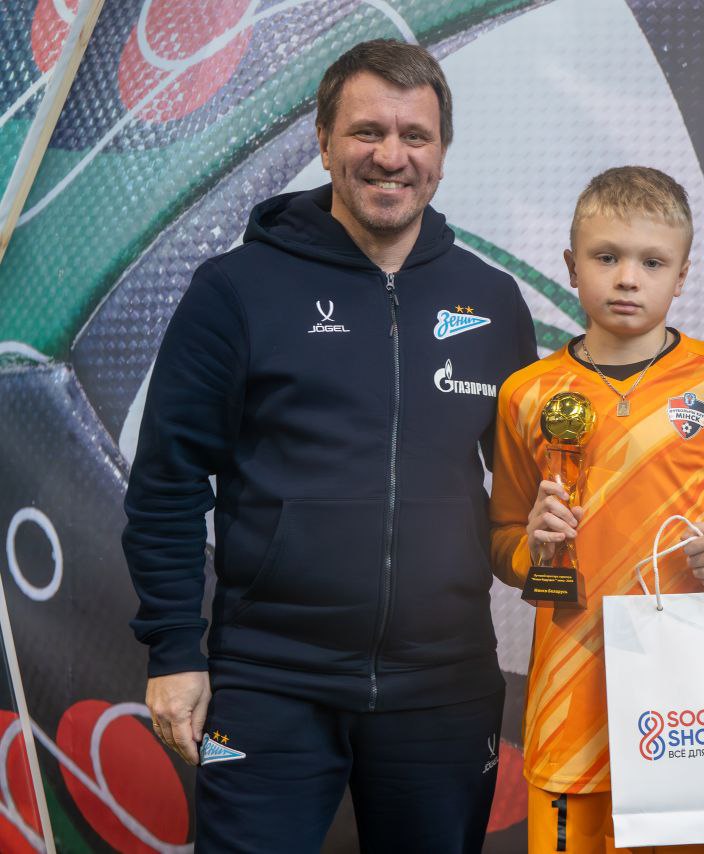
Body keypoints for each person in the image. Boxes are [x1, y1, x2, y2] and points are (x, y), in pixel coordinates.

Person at [122, 39, 537, 851]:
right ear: (322, 141)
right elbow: (169, 482)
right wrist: (173, 650)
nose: (391, 156)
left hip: (444, 687)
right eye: (366, 131)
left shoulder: (491, 302)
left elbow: (529, 488)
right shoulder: (235, 291)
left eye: (415, 136)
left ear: (442, 154)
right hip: (269, 680)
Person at [488, 166, 704, 853]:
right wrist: (532, 551)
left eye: (652, 262)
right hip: (570, 713)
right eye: (607, 257)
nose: (628, 279)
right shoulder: (526, 392)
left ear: (683, 275)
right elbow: (505, 540)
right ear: (571, 267)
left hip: (691, 711)